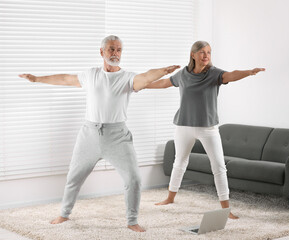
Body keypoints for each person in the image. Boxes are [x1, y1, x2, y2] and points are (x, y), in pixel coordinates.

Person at [19, 35, 180, 232]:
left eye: (119, 50)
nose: (115, 53)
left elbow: (145, 77)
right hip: (89, 134)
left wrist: (163, 71)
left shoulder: (127, 78)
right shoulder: (90, 75)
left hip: (118, 136)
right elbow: (65, 79)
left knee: (134, 179)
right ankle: (64, 213)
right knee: (74, 177)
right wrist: (36, 79)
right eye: (111, 49)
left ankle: (132, 220)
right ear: (101, 52)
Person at [146, 40, 265, 219]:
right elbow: (164, 83)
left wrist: (249, 72)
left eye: (209, 52)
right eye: (202, 52)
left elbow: (231, 75)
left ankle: (226, 208)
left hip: (208, 128)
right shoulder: (182, 75)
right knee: (179, 162)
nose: (206, 55)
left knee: (219, 167)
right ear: (193, 54)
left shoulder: (214, 74)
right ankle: (170, 198)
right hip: (183, 125)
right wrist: (142, 84)